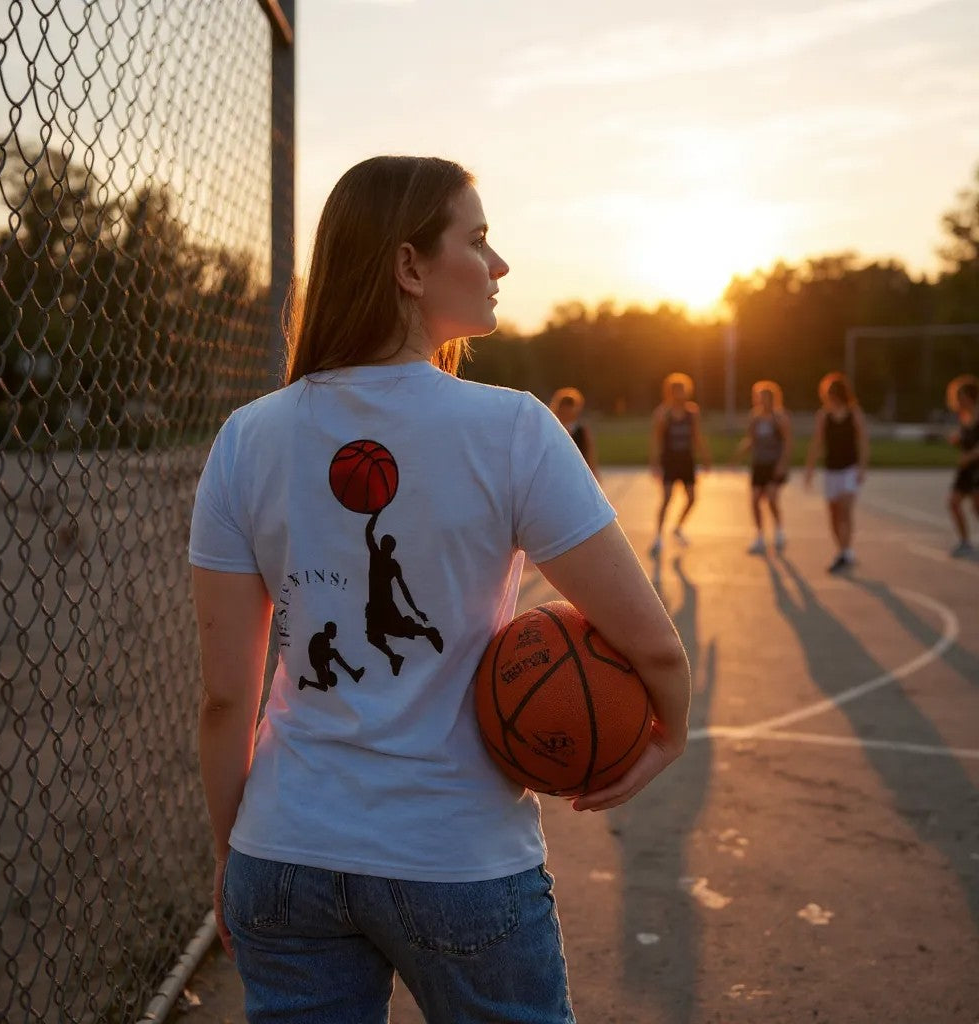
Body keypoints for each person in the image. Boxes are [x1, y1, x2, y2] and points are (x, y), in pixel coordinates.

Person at [189, 155, 691, 1024]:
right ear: (409, 266)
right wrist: (671, 728)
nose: (499, 266)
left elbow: (226, 698)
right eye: (480, 240)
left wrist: (235, 854)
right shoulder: (512, 430)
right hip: (456, 855)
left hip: (286, 847)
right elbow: (651, 645)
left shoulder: (246, 439)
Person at [804, 371, 869, 573]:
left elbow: (863, 441)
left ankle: (845, 552)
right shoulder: (823, 416)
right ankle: (842, 549)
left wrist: (862, 467)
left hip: (849, 468)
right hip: (832, 469)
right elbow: (817, 443)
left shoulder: (854, 413)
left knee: (845, 509)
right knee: (833, 513)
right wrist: (810, 469)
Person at [649, 372, 712, 557]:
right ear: (670, 392)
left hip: (686, 459)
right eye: (676, 390)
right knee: (667, 498)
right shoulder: (663, 413)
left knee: (692, 498)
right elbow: (656, 439)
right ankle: (658, 537)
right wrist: (654, 463)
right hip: (669, 460)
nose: (680, 394)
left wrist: (706, 457)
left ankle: (678, 527)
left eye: (682, 390)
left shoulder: (692, 412)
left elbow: (697, 436)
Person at [734, 381, 792, 554]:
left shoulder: (780, 417)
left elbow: (787, 442)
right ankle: (759, 535)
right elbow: (751, 439)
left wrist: (782, 464)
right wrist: (738, 455)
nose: (762, 400)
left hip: (774, 463)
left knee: (772, 498)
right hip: (759, 464)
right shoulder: (755, 417)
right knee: (755, 499)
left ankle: (779, 529)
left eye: (765, 397)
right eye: (760, 397)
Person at [946, 374, 979, 556]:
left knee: (977, 505)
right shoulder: (964, 417)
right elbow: (964, 439)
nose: (959, 400)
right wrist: (956, 439)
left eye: (961, 395)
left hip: (977, 468)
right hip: (966, 469)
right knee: (953, 502)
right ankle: (965, 541)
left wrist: (971, 456)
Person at [549, 387, 601, 482]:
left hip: (578, 473)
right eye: (564, 407)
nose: (567, 411)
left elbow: (589, 454)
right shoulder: (552, 429)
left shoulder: (581, 430)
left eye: (570, 408)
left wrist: (594, 474)